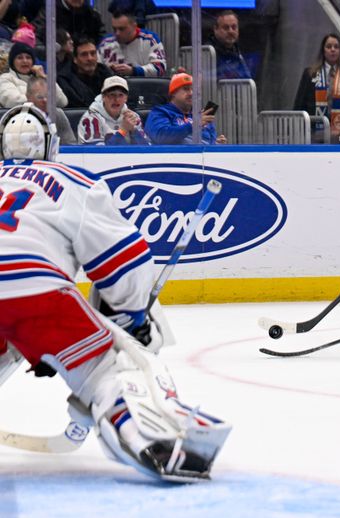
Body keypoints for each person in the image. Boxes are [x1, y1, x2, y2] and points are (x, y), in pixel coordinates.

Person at [0, 103, 231, 480]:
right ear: (49, 144)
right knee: (108, 369)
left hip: (25, 299)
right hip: (35, 289)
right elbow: (124, 261)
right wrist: (131, 318)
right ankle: (148, 441)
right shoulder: (72, 182)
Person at [293, 33, 340, 143]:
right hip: (316, 132)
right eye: (329, 47)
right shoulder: (310, 74)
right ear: (323, 51)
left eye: (336, 47)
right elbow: (299, 105)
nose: (332, 50)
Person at [144, 72, 226, 145]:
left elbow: (208, 143)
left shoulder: (200, 116)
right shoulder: (160, 113)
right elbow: (161, 137)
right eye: (186, 89)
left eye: (193, 89)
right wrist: (193, 125)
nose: (191, 93)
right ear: (173, 93)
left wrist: (215, 145)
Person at [78, 75, 148, 145]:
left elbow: (147, 151)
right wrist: (123, 130)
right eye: (112, 95)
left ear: (126, 98)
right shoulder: (91, 118)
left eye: (120, 95)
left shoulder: (133, 117)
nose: (116, 100)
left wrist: (134, 130)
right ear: (103, 97)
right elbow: (96, 154)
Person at [97, 10, 167, 78]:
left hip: (142, 86)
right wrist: (106, 70)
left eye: (122, 29)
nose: (117, 33)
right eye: (114, 29)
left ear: (134, 26)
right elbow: (95, 70)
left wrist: (133, 71)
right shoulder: (105, 43)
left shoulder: (150, 40)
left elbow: (160, 68)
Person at [0, 42, 70, 108]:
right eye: (20, 58)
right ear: (13, 62)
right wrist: (44, 100)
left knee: (58, 112)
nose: (25, 61)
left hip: (43, 116)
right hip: (20, 118)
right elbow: (13, 102)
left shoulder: (40, 77)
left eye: (28, 57)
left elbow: (62, 102)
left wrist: (45, 78)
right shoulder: (6, 78)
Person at [57, 37, 114, 108]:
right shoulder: (64, 79)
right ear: (75, 59)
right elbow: (79, 105)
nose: (90, 58)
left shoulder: (106, 73)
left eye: (93, 53)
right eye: (84, 54)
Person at [26, 77, 77, 144]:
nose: (45, 100)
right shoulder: (21, 117)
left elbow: (71, 145)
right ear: (28, 97)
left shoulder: (58, 114)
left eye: (47, 96)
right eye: (40, 97)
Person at [208, 10, 252, 80]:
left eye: (234, 27)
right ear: (215, 29)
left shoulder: (241, 52)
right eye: (226, 28)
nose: (230, 31)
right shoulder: (208, 53)